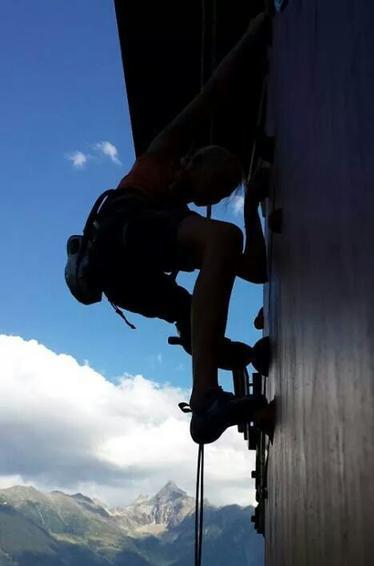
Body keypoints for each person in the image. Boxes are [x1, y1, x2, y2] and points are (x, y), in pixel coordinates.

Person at [85, 13, 269, 444]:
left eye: (224, 191)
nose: (213, 196)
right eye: (217, 182)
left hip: (128, 278)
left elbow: (254, 270)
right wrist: (250, 36)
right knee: (220, 240)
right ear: (195, 161)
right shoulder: (162, 157)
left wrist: (253, 208)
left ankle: (209, 396)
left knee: (196, 321)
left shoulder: (181, 231)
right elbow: (210, 97)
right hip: (122, 231)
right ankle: (205, 400)